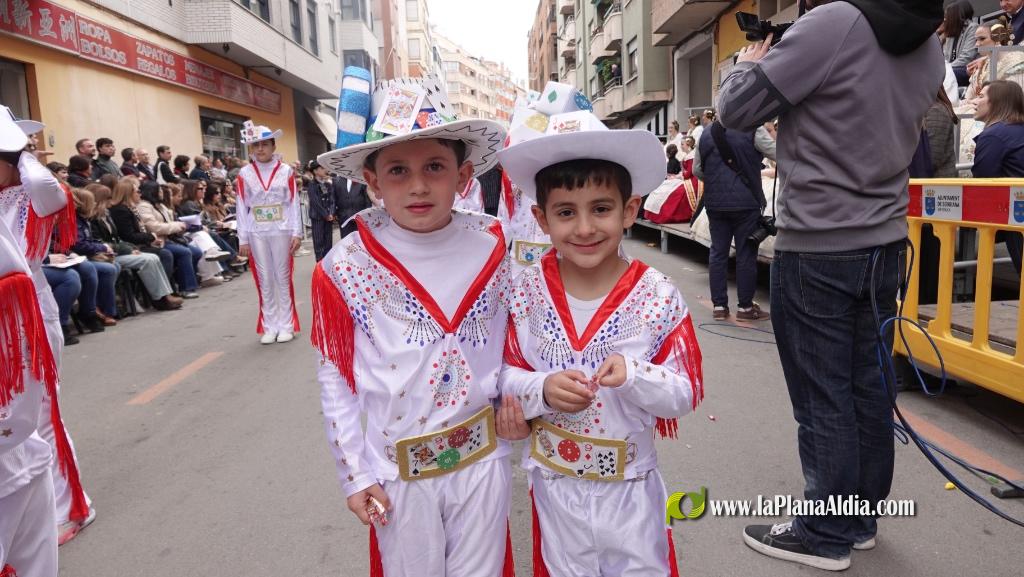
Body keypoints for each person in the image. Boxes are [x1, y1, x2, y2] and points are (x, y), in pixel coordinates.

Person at [716, 0, 943, 570]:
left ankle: (824, 533)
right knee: (868, 385)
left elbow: (735, 110)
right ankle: (859, 517)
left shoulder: (835, 23)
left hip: (819, 244)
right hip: (885, 243)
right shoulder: (930, 42)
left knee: (823, 396)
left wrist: (749, 60)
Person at [310, 75, 513, 576]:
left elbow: (514, 345)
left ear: (463, 176)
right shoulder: (344, 266)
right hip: (397, 473)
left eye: (435, 168)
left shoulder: (495, 246)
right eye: (398, 170)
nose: (418, 185)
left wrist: (521, 402)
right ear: (373, 181)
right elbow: (336, 377)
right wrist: (355, 475)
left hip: (483, 462)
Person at [496, 94, 703, 577]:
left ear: (630, 210)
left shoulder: (659, 297)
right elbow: (501, 374)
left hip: (632, 492)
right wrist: (538, 389)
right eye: (565, 212)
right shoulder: (523, 291)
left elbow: (684, 392)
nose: (585, 228)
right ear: (542, 219)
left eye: (601, 208)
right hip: (553, 489)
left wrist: (634, 375)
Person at [0, 110, 94, 547]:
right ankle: (27, 509)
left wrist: (19, 147)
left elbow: (45, 187)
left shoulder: (34, 195)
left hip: (31, 314)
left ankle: (73, 506)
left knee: (40, 414)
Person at [693, 121, 776, 321]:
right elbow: (778, 154)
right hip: (746, 202)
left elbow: (697, 170)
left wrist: (718, 179)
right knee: (746, 254)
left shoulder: (705, 133)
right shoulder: (753, 128)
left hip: (715, 203)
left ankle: (719, 306)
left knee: (718, 253)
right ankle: (745, 308)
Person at [235, 122, 302, 344]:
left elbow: (293, 203)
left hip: (281, 228)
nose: (260, 149)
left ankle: (287, 325)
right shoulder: (244, 173)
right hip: (256, 230)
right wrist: (242, 237)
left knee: (282, 276)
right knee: (264, 278)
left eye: (265, 144)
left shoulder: (286, 171)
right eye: (256, 145)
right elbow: (241, 207)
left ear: (273, 146)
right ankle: (269, 326)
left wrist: (297, 233)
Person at [86, 183, 182, 310]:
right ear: (101, 200)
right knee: (148, 259)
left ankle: (164, 295)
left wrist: (131, 248)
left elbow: (117, 238)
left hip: (115, 251)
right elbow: (102, 242)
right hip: (105, 255)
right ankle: (159, 298)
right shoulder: (94, 219)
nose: (111, 201)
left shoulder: (106, 215)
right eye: (108, 198)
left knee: (153, 257)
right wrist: (129, 249)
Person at [109, 176, 200, 299]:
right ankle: (165, 293)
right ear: (128, 193)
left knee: (193, 250)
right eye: (137, 191)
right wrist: (152, 237)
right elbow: (137, 232)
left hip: (159, 239)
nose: (139, 193)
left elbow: (162, 224)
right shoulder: (129, 209)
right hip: (139, 244)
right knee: (171, 253)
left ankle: (178, 287)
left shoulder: (146, 206)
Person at [971, 80, 1024, 273]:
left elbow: (983, 181)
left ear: (998, 102)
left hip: (1017, 213)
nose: (974, 101)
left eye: (981, 96)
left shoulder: (994, 135)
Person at [958, 20, 1024, 169]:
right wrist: (970, 102)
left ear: (998, 37)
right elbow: (969, 94)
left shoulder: (1016, 63)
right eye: (976, 39)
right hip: (978, 109)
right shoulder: (984, 63)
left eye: (982, 39)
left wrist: (977, 103)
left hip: (1002, 115)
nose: (977, 44)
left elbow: (1014, 98)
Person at [306, 160, 340, 261]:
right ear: (315, 171)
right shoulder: (312, 185)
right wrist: (325, 214)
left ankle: (327, 265)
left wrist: (332, 213)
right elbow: (315, 202)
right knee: (319, 242)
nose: (325, 170)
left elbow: (333, 200)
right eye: (322, 168)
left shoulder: (328, 184)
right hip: (318, 217)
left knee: (328, 243)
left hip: (328, 218)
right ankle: (320, 265)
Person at [942, 1, 978, 86]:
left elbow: (967, 57)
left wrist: (947, 69)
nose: (945, 19)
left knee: (942, 76)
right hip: (953, 69)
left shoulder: (972, 28)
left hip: (967, 69)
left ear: (955, 15)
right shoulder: (952, 32)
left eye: (947, 16)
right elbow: (945, 57)